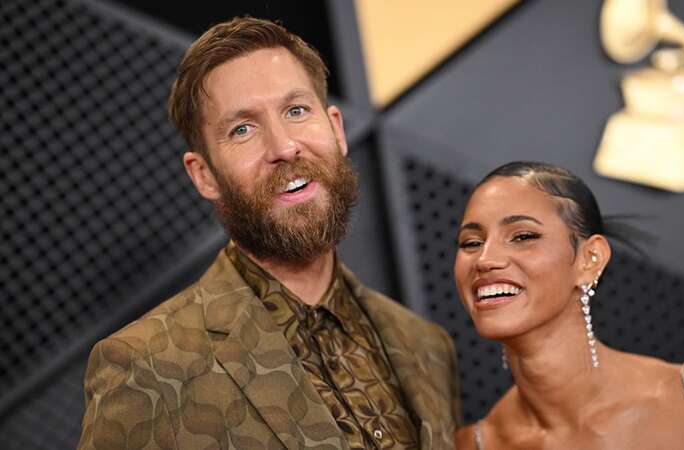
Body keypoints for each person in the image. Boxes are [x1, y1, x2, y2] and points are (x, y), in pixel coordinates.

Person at [78, 17, 459, 450]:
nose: (283, 147)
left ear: (336, 128)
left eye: (296, 111)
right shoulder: (147, 367)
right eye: (243, 129)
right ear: (204, 176)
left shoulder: (428, 348)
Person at [453, 161, 684, 450]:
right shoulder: (471, 445)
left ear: (590, 259)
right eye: (471, 242)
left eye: (522, 236)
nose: (485, 259)